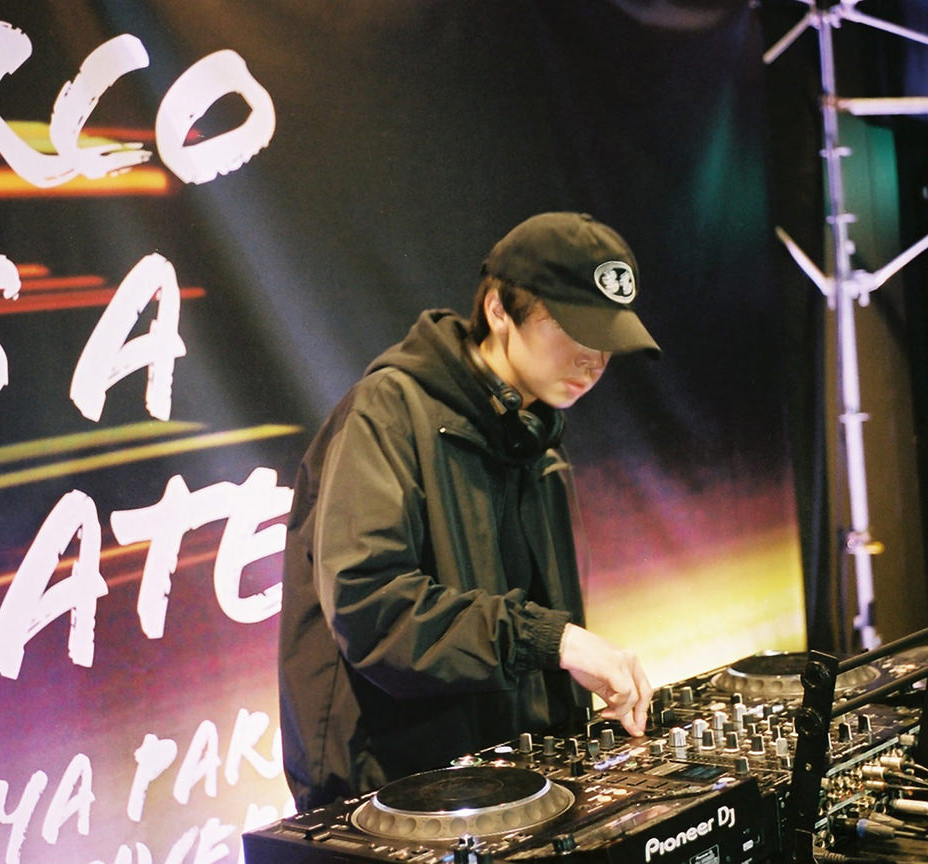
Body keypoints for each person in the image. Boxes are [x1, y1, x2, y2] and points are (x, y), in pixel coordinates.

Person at [278, 212, 661, 811]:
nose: (595, 359)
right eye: (575, 330)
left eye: (608, 338)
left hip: (509, 785)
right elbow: (371, 607)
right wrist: (550, 640)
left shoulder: (536, 433)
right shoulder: (388, 410)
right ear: (498, 310)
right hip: (394, 797)